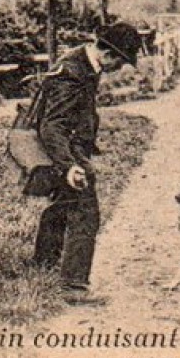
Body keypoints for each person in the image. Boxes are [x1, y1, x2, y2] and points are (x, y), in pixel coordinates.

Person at [32, 21, 142, 304]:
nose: (121, 67)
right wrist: (70, 165)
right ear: (109, 54)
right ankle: (73, 286)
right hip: (65, 148)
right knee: (85, 212)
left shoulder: (84, 63)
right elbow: (51, 126)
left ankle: (43, 265)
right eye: (122, 61)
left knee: (63, 204)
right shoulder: (73, 72)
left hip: (72, 145)